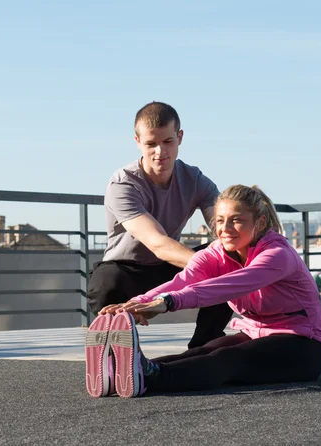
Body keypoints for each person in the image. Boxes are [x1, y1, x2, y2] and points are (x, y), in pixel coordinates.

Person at [85, 185, 321, 398]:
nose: (226, 228)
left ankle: (149, 377)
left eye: (237, 220)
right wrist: (137, 303)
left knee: (228, 359)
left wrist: (167, 303)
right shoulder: (216, 253)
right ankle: (123, 372)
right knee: (204, 350)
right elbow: (184, 280)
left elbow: (228, 285)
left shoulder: (277, 256)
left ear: (260, 222)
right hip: (257, 335)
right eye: (221, 220)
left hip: (303, 346)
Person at [87, 101, 233, 350]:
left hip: (168, 266)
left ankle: (204, 346)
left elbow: (223, 225)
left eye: (167, 142)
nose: (159, 152)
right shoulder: (123, 184)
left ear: (180, 137)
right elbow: (158, 243)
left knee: (228, 256)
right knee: (105, 283)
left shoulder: (195, 179)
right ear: (137, 141)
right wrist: (210, 267)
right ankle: (115, 353)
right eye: (151, 144)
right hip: (127, 269)